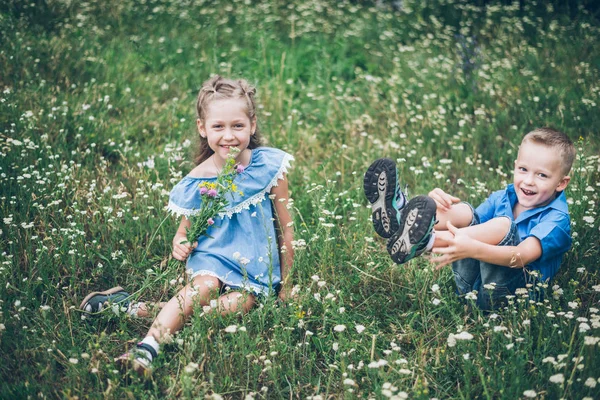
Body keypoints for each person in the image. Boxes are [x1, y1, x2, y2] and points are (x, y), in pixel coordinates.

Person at [79, 75, 295, 375]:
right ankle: (148, 348)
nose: (229, 136)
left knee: (234, 307)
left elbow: (287, 229)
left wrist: (287, 284)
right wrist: (180, 243)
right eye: (218, 126)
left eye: (238, 126)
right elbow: (184, 230)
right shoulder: (199, 180)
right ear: (202, 128)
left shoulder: (269, 167)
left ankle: (132, 309)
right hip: (213, 258)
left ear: (253, 125)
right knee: (204, 288)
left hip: (254, 269)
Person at [364, 127, 574, 310]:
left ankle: (426, 241)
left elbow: (521, 256)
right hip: (469, 288)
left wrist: (473, 248)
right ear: (515, 165)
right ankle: (403, 217)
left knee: (503, 225)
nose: (528, 181)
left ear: (561, 183)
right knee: (465, 212)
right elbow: (470, 223)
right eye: (523, 170)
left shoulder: (557, 220)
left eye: (542, 175)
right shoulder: (504, 197)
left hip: (509, 301)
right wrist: (438, 206)